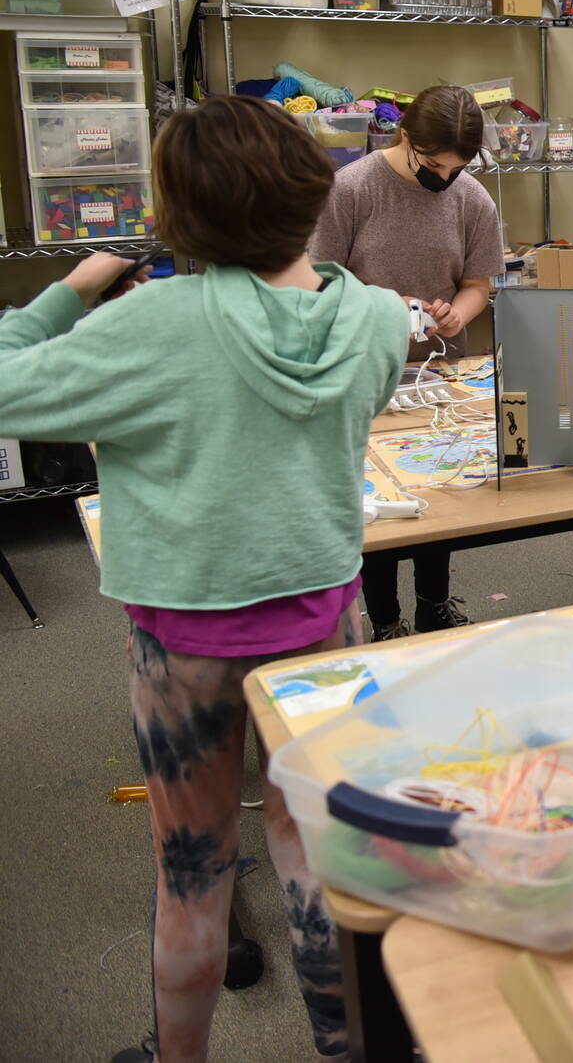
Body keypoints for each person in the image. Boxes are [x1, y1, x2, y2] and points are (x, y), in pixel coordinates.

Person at [0, 97, 407, 1063]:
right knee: (322, 864)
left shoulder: (151, 322)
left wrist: (71, 288)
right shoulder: (378, 315)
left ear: (177, 213)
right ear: (310, 198)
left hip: (183, 645)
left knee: (193, 876)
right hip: (324, 623)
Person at [310, 85, 505, 640]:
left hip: (438, 371)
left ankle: (433, 604)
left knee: (437, 487)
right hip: (363, 368)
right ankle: (386, 619)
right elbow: (319, 282)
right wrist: (381, 306)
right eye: (434, 164)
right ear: (405, 138)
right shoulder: (352, 189)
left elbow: (478, 283)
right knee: (378, 498)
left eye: (457, 168)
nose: (445, 178)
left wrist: (457, 315)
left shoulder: (471, 199)